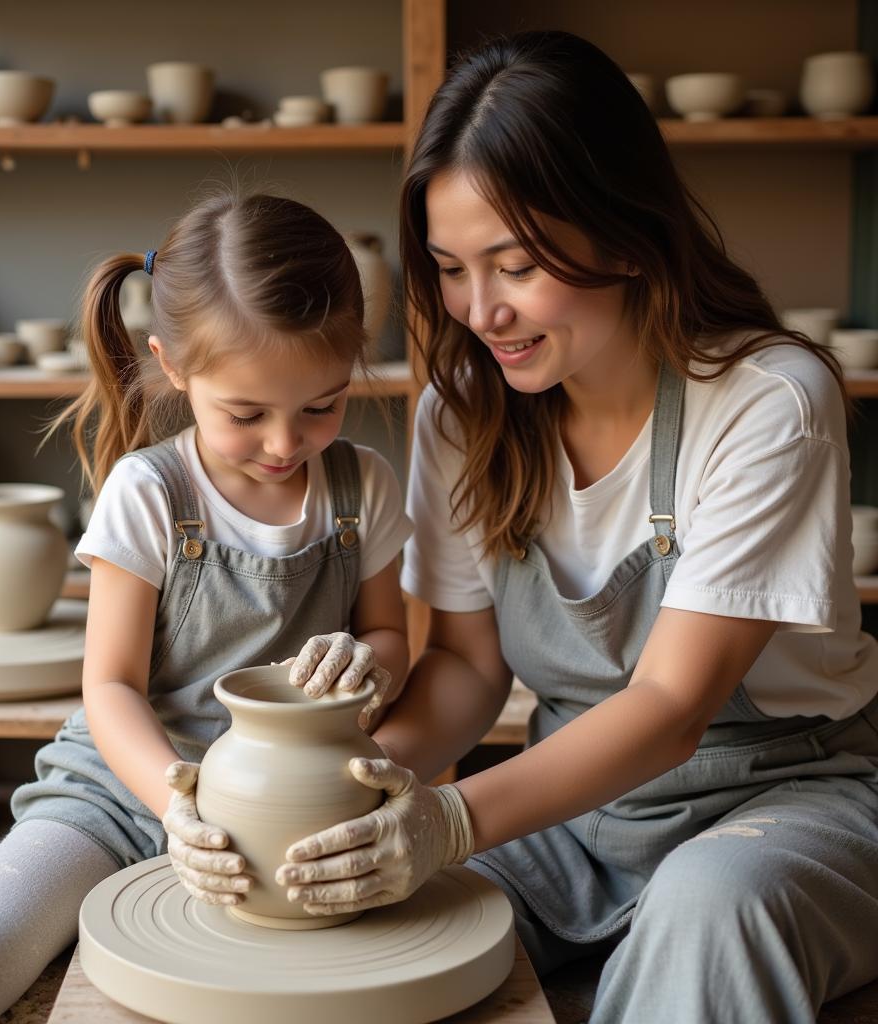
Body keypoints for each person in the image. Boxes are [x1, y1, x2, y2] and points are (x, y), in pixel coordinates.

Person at [267, 31, 878, 1023]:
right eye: (451, 268)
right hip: (581, 807)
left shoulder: (766, 399)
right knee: (380, 920)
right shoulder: (462, 412)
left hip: (794, 802)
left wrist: (454, 816)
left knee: (707, 907)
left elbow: (676, 702)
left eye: (512, 265)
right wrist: (350, 790)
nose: (479, 311)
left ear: (625, 233)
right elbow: (465, 667)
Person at [0, 191, 412, 1023]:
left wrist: (373, 664)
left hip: (298, 806)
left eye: (321, 406)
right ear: (175, 367)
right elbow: (108, 687)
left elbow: (391, 640)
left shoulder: (362, 485)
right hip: (123, 791)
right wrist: (176, 804)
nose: (285, 444)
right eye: (246, 413)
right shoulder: (150, 491)